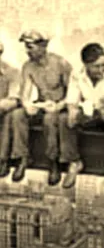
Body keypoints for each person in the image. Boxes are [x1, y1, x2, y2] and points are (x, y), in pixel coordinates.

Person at [11, 30, 72, 185]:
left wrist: (58, 106)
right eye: (26, 47)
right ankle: (22, 158)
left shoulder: (61, 64)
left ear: (43, 46)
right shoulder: (28, 67)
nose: (27, 51)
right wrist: (28, 105)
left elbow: (73, 94)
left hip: (60, 107)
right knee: (18, 115)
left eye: (30, 47)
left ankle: (53, 162)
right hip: (43, 104)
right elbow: (25, 93)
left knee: (49, 119)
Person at [60, 42, 104, 196]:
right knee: (64, 119)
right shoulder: (77, 75)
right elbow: (72, 99)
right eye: (96, 66)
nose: (101, 70)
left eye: (103, 65)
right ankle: (74, 161)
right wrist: (73, 110)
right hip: (88, 114)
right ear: (86, 65)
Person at [0, 42, 21, 177]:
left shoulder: (12, 72)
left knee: (11, 115)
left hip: (2, 113)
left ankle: (2, 159)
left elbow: (14, 99)